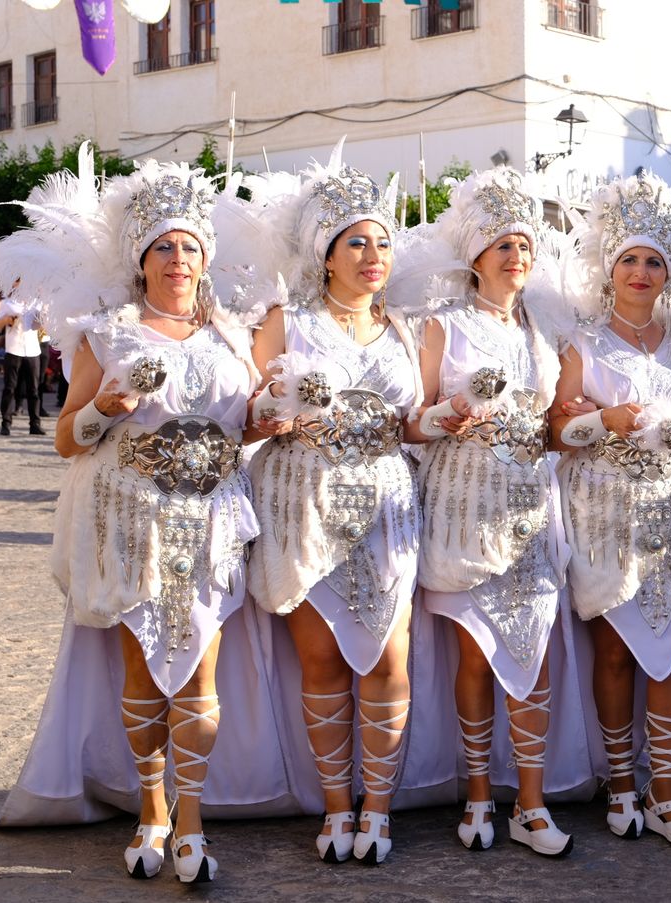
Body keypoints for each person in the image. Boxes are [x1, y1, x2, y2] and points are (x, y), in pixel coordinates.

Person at [0, 154, 304, 884]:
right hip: (132, 522)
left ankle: (192, 816)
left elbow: (240, 422)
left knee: (200, 672)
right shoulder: (110, 334)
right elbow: (66, 436)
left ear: (205, 259)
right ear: (142, 258)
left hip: (214, 520)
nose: (178, 259)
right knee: (144, 670)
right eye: (164, 246)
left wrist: (271, 422)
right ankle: (152, 807)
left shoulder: (230, 335)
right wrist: (105, 408)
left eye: (190, 246)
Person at [245, 156, 421, 865]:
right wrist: (274, 414)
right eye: (356, 242)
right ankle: (335, 806)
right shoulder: (287, 321)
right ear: (325, 253)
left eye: (381, 242)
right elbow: (249, 414)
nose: (372, 256)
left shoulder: (404, 328)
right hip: (304, 504)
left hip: (387, 507)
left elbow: (412, 422)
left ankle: (377, 807)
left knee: (387, 660)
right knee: (320, 664)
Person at [403, 167, 582, 858]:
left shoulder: (544, 331)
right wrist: (447, 415)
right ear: (475, 256)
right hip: (465, 508)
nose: (515, 257)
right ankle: (479, 793)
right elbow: (409, 422)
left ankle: (530, 803)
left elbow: (556, 421)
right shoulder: (442, 327)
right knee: (476, 657)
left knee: (530, 654)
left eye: (524, 246)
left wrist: (568, 419)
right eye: (502, 246)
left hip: (531, 512)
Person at [549, 172, 671, 848]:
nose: (641, 273)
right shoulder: (583, 345)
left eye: (653, 261)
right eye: (629, 261)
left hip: (669, 512)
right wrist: (605, 420)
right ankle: (621, 782)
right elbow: (557, 430)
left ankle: (665, 789)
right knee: (613, 653)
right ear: (608, 269)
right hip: (603, 514)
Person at [0, 286, 46, 436]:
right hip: (14, 349)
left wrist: (44, 314)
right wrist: (7, 319)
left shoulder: (37, 303)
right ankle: (6, 423)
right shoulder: (7, 303)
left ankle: (35, 424)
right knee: (9, 388)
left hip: (32, 350)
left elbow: (39, 326)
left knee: (34, 389)